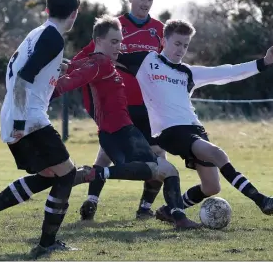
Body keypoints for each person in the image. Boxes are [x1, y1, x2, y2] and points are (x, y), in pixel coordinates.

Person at [113, 19, 273, 222]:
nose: (181, 49)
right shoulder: (147, 61)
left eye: (186, 45)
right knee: (217, 153)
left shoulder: (188, 72)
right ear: (164, 41)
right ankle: (262, 201)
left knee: (211, 187)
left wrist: (264, 62)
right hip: (170, 131)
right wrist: (72, 66)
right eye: (177, 44)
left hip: (195, 129)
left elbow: (228, 72)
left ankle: (169, 210)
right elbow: (109, 56)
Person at [0, 0, 86, 259]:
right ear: (75, 14)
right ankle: (46, 243)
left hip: (17, 113)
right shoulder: (53, 37)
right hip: (28, 117)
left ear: (47, 10)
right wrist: (21, 121)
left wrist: (59, 66)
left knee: (50, 174)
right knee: (66, 173)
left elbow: (26, 68)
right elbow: (23, 78)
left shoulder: (38, 33)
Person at [52, 14, 202, 231]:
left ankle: (177, 217)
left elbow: (77, 67)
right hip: (119, 133)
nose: (119, 46)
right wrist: (46, 92)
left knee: (164, 170)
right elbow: (73, 80)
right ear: (99, 41)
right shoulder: (101, 63)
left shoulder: (103, 62)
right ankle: (94, 174)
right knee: (159, 169)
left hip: (122, 131)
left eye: (120, 41)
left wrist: (66, 67)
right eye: (114, 42)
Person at [70, 0, 166, 221]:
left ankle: (145, 208)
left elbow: (166, 65)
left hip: (148, 107)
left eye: (149, 0)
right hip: (119, 105)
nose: (145, 4)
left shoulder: (159, 29)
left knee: (158, 156)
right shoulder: (114, 27)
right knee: (105, 155)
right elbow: (86, 57)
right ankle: (91, 202)